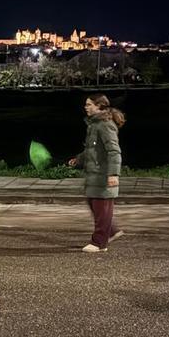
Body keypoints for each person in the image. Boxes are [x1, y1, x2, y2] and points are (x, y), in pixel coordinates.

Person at [67, 94, 125, 253]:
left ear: (99, 106)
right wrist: (78, 160)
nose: (86, 107)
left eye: (89, 104)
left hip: (103, 176)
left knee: (101, 208)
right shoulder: (94, 125)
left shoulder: (105, 125)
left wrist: (113, 174)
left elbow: (114, 151)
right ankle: (111, 231)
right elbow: (91, 150)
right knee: (95, 205)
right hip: (94, 175)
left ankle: (99, 243)